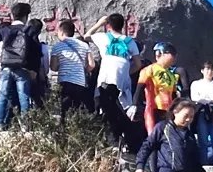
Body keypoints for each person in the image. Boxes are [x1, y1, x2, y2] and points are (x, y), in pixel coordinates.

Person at [90, 14, 139, 150]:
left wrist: (100, 23)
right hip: (122, 81)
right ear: (123, 26)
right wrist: (127, 72)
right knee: (121, 109)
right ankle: (125, 141)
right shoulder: (130, 42)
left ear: (108, 26)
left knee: (103, 108)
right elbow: (138, 63)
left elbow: (86, 35)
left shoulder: (104, 37)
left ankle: (111, 141)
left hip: (106, 79)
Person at [0, 2, 39, 129]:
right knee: (23, 95)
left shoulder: (4, 30)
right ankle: (25, 125)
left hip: (6, 67)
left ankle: (0, 124)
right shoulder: (29, 30)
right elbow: (36, 52)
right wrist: (34, 69)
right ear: (26, 16)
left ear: (12, 15)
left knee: (3, 96)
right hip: (23, 68)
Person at [48, 19, 94, 121]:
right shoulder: (84, 45)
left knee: (65, 109)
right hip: (80, 82)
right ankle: (77, 130)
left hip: (65, 81)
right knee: (77, 109)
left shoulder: (58, 46)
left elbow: (53, 67)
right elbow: (92, 65)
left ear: (62, 32)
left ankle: (65, 132)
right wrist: (82, 71)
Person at [136, 43, 181, 137]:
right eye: (172, 54)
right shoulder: (150, 69)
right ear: (162, 54)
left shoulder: (171, 74)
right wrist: (135, 104)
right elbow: (140, 87)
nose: (174, 58)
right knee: (153, 137)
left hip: (168, 111)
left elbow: (173, 94)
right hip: (154, 109)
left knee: (166, 137)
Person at [188, 61, 213, 167]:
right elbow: (195, 97)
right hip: (201, 112)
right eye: (207, 69)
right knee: (203, 141)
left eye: (212, 69)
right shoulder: (196, 84)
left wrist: (204, 97)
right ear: (202, 71)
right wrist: (210, 98)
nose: (210, 72)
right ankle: (203, 166)